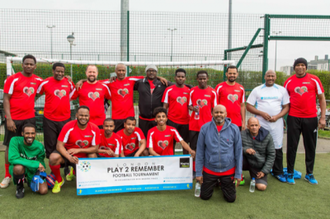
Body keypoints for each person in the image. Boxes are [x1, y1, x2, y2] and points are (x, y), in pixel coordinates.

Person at [1, 54, 43, 189]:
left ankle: (30, 170)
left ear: (35, 66)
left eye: (31, 64)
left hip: (29, 118)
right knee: (9, 145)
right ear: (22, 65)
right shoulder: (13, 79)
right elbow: (6, 99)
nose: (29, 66)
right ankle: (8, 175)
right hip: (14, 118)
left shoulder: (37, 80)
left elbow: (50, 85)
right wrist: (9, 119)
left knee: (28, 144)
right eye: (26, 64)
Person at [284, 58, 326, 185]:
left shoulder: (314, 79)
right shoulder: (289, 81)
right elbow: (285, 102)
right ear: (294, 67)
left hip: (311, 118)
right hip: (293, 117)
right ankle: (290, 172)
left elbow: (322, 99)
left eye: (302, 65)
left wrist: (322, 117)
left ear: (306, 67)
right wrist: (283, 118)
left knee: (310, 146)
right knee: (291, 146)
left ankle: (309, 173)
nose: (300, 67)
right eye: (298, 65)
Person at [246, 70, 290, 183]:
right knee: (260, 145)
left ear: (275, 77)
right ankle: (260, 168)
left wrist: (277, 116)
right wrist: (261, 113)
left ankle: (278, 172)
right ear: (265, 77)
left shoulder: (282, 90)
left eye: (272, 76)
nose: (270, 78)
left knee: (277, 146)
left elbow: (286, 107)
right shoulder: (257, 90)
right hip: (261, 123)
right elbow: (249, 106)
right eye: (268, 76)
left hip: (276, 123)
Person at [48, 106, 100, 193]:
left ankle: (77, 173)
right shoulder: (68, 126)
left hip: (82, 157)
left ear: (89, 116)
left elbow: (95, 148)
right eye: (81, 115)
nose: (83, 118)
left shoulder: (94, 128)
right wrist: (69, 157)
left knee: (93, 156)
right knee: (53, 157)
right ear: (76, 115)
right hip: (68, 154)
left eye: (86, 115)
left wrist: (79, 150)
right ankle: (59, 180)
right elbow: (59, 145)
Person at [195, 105, 242, 203]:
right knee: (205, 197)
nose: (219, 115)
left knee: (231, 199)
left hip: (228, 169)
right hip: (210, 169)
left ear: (226, 114)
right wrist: (199, 173)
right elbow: (200, 152)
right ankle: (216, 182)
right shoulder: (205, 128)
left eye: (221, 112)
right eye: (216, 112)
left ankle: (222, 183)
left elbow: (238, 152)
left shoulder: (234, 129)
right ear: (212, 114)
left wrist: (238, 173)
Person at [37, 62, 75, 158]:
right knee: (50, 144)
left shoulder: (69, 82)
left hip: (65, 118)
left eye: (62, 72)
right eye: (58, 71)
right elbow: (37, 92)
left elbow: (75, 92)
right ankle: (53, 168)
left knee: (66, 143)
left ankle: (67, 166)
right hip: (49, 119)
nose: (60, 73)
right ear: (53, 71)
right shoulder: (45, 83)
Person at [134, 65, 171, 153]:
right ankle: (146, 160)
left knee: (157, 141)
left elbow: (178, 85)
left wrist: (191, 87)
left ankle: (156, 158)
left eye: (153, 71)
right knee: (144, 142)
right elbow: (125, 81)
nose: (151, 72)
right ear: (146, 72)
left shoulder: (163, 83)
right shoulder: (139, 83)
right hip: (143, 119)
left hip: (157, 119)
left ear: (156, 72)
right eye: (149, 70)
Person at [188, 70, 217, 173]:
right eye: (200, 78)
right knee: (194, 148)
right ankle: (195, 170)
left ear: (207, 79)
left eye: (204, 78)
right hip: (194, 125)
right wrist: (192, 108)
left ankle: (206, 168)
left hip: (208, 125)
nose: (202, 80)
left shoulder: (212, 92)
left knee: (208, 147)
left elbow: (215, 109)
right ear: (197, 79)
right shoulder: (192, 91)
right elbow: (189, 105)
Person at [8, 124, 47, 198]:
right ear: (22, 133)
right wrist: (35, 164)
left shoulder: (39, 146)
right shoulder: (14, 141)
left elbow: (41, 163)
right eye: (27, 133)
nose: (30, 136)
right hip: (20, 168)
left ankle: (29, 181)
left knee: (43, 190)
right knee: (18, 168)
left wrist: (40, 175)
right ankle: (20, 187)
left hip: (32, 170)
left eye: (32, 133)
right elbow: (13, 158)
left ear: (35, 134)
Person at [102, 63, 144, 132]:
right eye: (119, 70)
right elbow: (95, 83)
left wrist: (160, 78)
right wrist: (83, 81)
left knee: (129, 138)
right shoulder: (111, 81)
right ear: (115, 71)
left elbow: (147, 77)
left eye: (123, 70)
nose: (121, 72)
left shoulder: (131, 80)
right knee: (117, 137)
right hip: (116, 117)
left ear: (125, 71)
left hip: (129, 116)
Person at [241, 117, 275, 191]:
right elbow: (235, 148)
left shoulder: (267, 136)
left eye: (256, 125)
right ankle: (236, 175)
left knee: (261, 187)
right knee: (234, 156)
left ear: (259, 126)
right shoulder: (242, 134)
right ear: (247, 126)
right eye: (252, 125)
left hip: (258, 164)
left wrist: (264, 171)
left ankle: (255, 175)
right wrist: (245, 150)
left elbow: (271, 155)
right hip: (246, 160)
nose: (254, 127)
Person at [162, 68, 190, 153]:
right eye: (178, 76)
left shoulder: (189, 91)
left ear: (185, 78)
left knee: (185, 144)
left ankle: (185, 164)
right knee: (171, 144)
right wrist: (164, 119)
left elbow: (191, 106)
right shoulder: (169, 90)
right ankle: (171, 164)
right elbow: (165, 106)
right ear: (175, 78)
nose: (180, 78)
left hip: (185, 121)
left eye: (182, 77)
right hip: (172, 121)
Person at [215, 65, 246, 130]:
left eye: (234, 73)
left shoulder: (241, 88)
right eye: (230, 73)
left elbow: (242, 106)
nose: (232, 75)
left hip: (237, 122)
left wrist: (243, 122)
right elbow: (215, 106)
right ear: (226, 74)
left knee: (236, 140)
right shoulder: (219, 87)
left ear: (237, 74)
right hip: (222, 121)